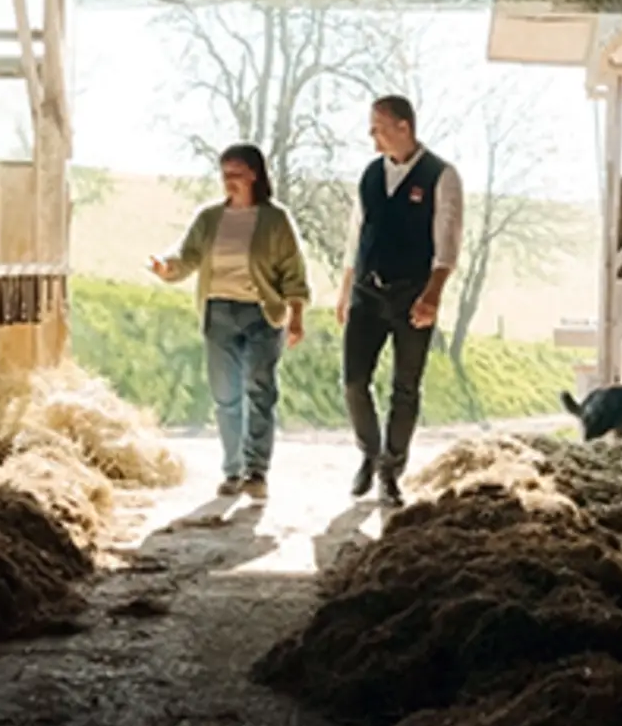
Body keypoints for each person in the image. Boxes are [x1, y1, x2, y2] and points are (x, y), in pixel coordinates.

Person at [149, 143, 309, 502]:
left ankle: (256, 471)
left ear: (255, 174)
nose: (229, 182)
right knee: (226, 397)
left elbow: (293, 273)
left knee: (260, 392)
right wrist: (166, 267)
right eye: (224, 175)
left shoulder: (275, 220)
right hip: (218, 313)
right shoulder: (209, 218)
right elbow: (188, 256)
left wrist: (296, 316)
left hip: (262, 315)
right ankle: (232, 470)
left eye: (236, 174)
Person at [337, 95, 463, 506]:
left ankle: (391, 471)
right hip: (366, 292)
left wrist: (433, 296)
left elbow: (447, 244)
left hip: (413, 293)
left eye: (378, 127)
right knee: (355, 380)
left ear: (403, 126)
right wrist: (345, 289)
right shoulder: (371, 175)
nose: (372, 135)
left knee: (405, 387)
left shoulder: (441, 175)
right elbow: (357, 234)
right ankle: (369, 453)